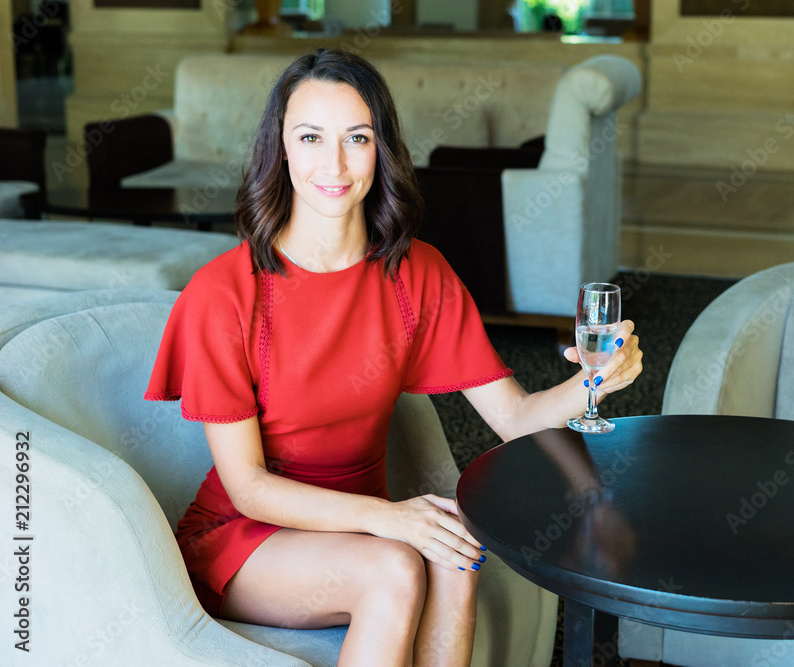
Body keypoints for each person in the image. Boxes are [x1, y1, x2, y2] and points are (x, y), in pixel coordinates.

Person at [145, 48, 643, 667]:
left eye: (357, 137)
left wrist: (593, 381)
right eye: (310, 137)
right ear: (281, 149)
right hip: (246, 537)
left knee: (457, 550)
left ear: (382, 151)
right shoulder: (224, 293)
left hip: (362, 526)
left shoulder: (417, 274)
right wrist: (391, 520)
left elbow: (514, 418)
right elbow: (248, 487)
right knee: (394, 567)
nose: (334, 163)